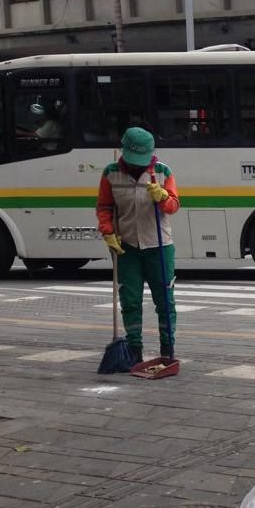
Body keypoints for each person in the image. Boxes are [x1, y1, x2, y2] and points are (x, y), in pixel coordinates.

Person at [96, 127, 181, 365]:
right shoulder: (111, 173)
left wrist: (163, 197)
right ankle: (134, 350)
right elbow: (104, 207)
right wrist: (108, 232)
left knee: (164, 299)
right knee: (130, 300)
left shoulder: (163, 172)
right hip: (126, 247)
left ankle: (168, 348)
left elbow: (174, 205)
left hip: (159, 246)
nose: (137, 166)